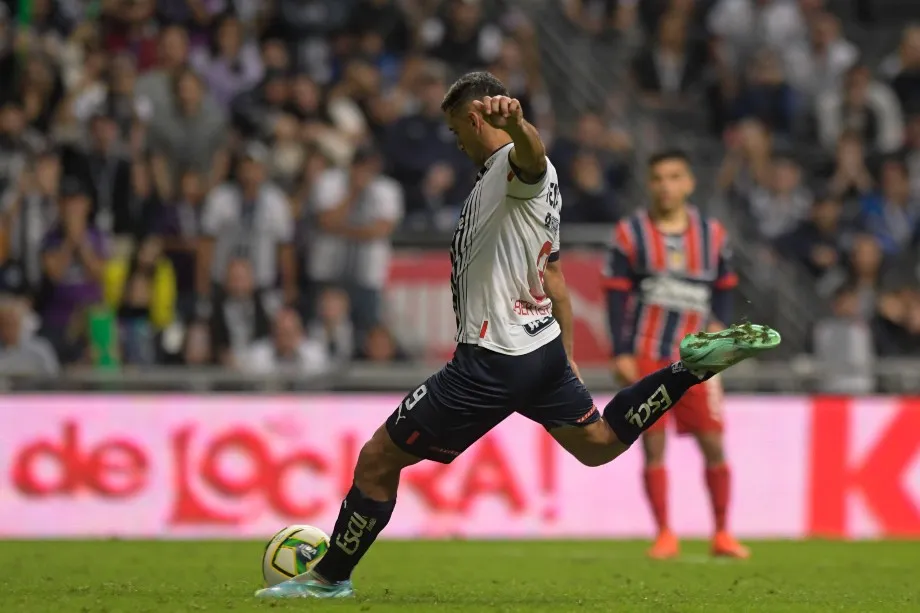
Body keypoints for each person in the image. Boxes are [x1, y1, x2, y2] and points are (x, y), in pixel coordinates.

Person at [256, 72, 781, 600]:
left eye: (457, 128)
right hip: (541, 347)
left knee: (377, 459)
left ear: (474, 117)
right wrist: (568, 357)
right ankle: (687, 369)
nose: (456, 141)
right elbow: (553, 278)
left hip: (492, 359)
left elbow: (532, 155)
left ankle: (328, 579)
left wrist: (519, 125)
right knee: (598, 444)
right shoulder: (519, 189)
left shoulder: (515, 168)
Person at [604, 150, 749, 560]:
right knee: (653, 444)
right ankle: (665, 533)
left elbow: (725, 286)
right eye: (658, 178)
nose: (666, 185)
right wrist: (620, 352)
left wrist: (720, 325)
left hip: (700, 359)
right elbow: (615, 297)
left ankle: (722, 533)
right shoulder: (630, 234)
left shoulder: (712, 236)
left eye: (674, 177)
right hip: (649, 354)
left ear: (689, 183)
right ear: (650, 184)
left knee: (713, 443)